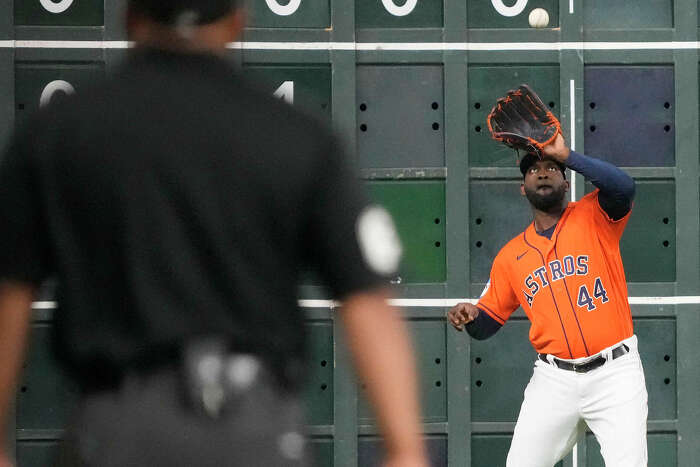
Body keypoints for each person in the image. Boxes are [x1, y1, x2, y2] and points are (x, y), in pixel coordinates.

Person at [0, 1, 429, 466]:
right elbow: (367, 300)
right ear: (237, 21)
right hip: (253, 437)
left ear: (130, 18)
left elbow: (8, 292)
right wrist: (405, 452)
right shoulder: (294, 133)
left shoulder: (57, 130)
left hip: (114, 433)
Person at [448, 133, 647, 466]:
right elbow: (485, 324)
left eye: (552, 168)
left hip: (616, 375)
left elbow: (624, 187)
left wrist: (566, 155)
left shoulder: (594, 216)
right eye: (533, 170)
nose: (542, 173)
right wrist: (469, 315)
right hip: (554, 381)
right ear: (522, 188)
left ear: (566, 184)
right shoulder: (511, 257)